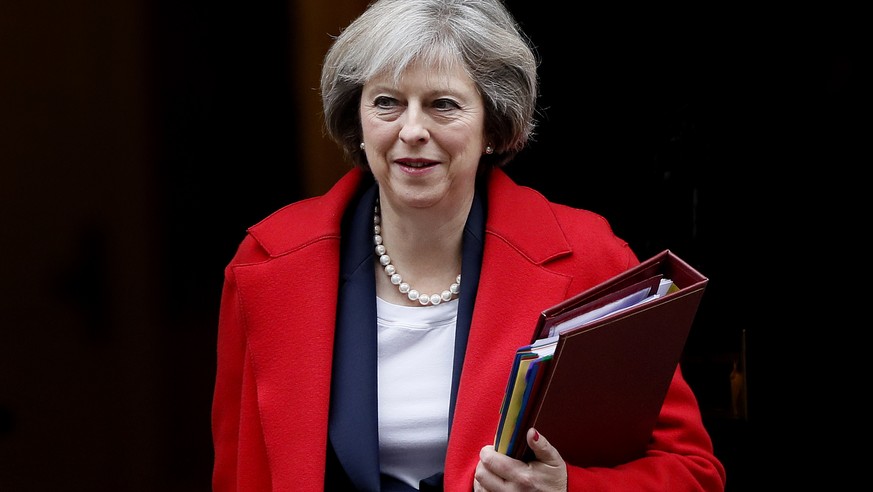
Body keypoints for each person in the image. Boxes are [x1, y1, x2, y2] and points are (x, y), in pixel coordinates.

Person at [210, 0, 727, 490]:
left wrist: (570, 487)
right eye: (387, 102)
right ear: (358, 120)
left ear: (493, 126)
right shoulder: (266, 261)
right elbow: (236, 475)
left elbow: (693, 473)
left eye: (443, 105)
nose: (413, 129)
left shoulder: (591, 258)